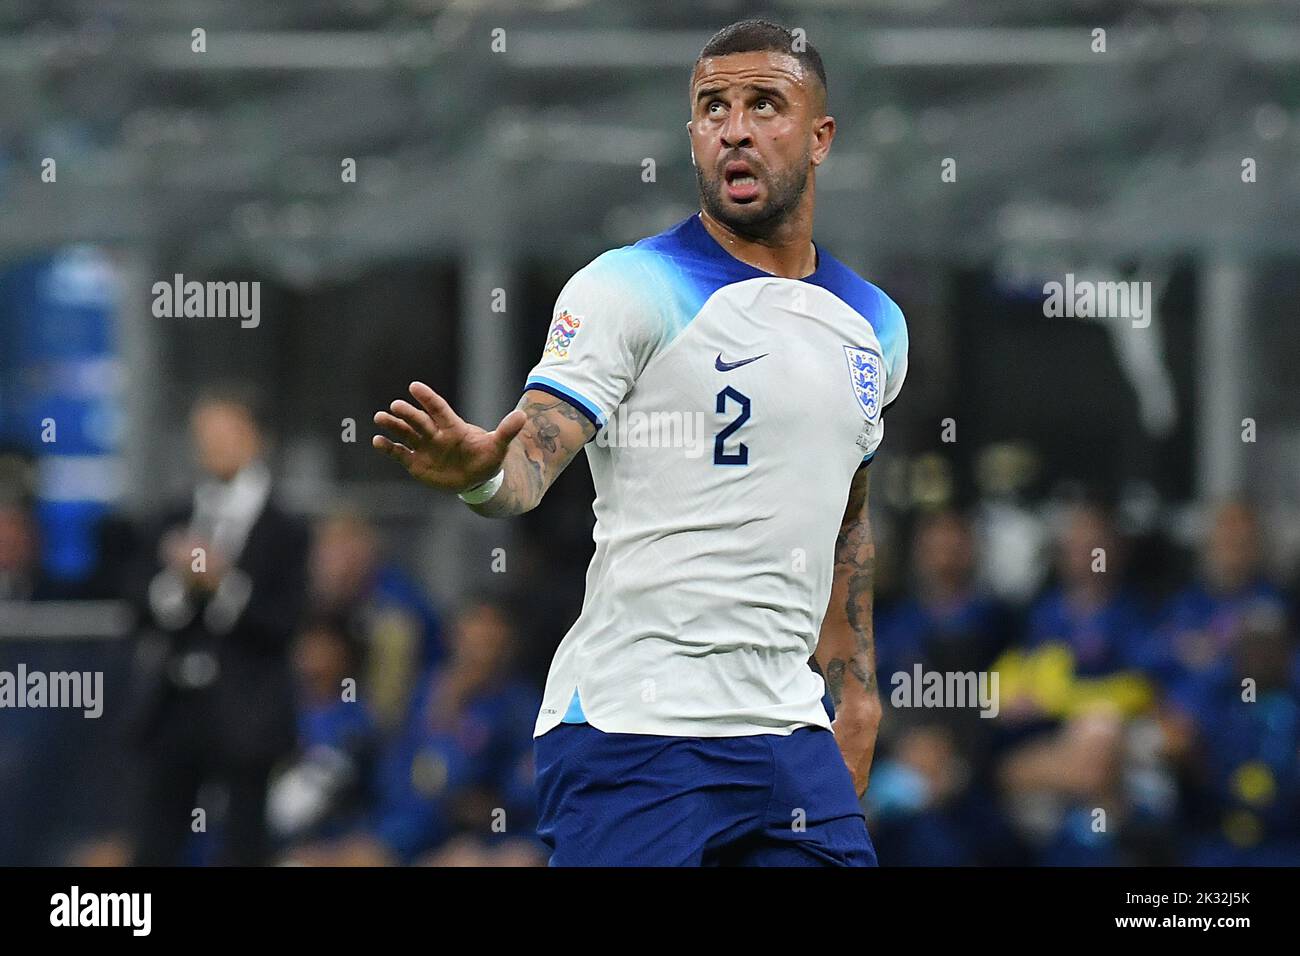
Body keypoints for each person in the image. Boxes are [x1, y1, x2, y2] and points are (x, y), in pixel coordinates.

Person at [372, 19, 908, 866]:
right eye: (711, 107)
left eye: (764, 104)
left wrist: (860, 696)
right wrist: (483, 473)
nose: (734, 127)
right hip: (637, 731)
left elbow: (847, 520)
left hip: (786, 729)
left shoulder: (877, 325)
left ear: (819, 136)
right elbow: (532, 456)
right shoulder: (627, 285)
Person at [126, 386, 309, 865]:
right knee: (157, 839)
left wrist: (224, 584)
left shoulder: (286, 528)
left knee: (245, 841)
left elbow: (285, 621)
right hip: (175, 705)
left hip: (247, 711)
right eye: (203, 436)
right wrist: (177, 581)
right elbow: (139, 608)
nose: (212, 446)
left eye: (225, 433)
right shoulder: (173, 516)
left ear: (255, 438)